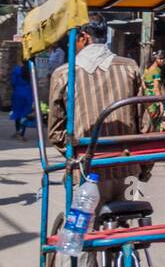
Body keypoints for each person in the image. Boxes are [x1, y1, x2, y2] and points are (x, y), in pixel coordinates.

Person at [48, 15, 150, 205]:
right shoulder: (130, 67)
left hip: (88, 173)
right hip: (128, 169)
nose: (72, 46)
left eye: (74, 40)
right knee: (127, 224)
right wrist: (144, 167)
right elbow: (144, 124)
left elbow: (56, 133)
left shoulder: (64, 73)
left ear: (84, 37)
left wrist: (77, 156)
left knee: (87, 230)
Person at [142, 49, 165, 130]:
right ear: (158, 59)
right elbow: (156, 88)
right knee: (156, 120)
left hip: (146, 97)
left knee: (148, 119)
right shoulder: (157, 70)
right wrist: (160, 103)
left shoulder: (147, 68)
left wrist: (147, 90)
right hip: (154, 99)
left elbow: (142, 81)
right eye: (164, 59)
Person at [10, 61, 33, 139]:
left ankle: (17, 132)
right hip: (28, 93)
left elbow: (13, 82)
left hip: (18, 93)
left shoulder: (16, 70)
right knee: (25, 113)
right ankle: (22, 133)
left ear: (21, 61)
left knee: (18, 113)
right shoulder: (31, 70)